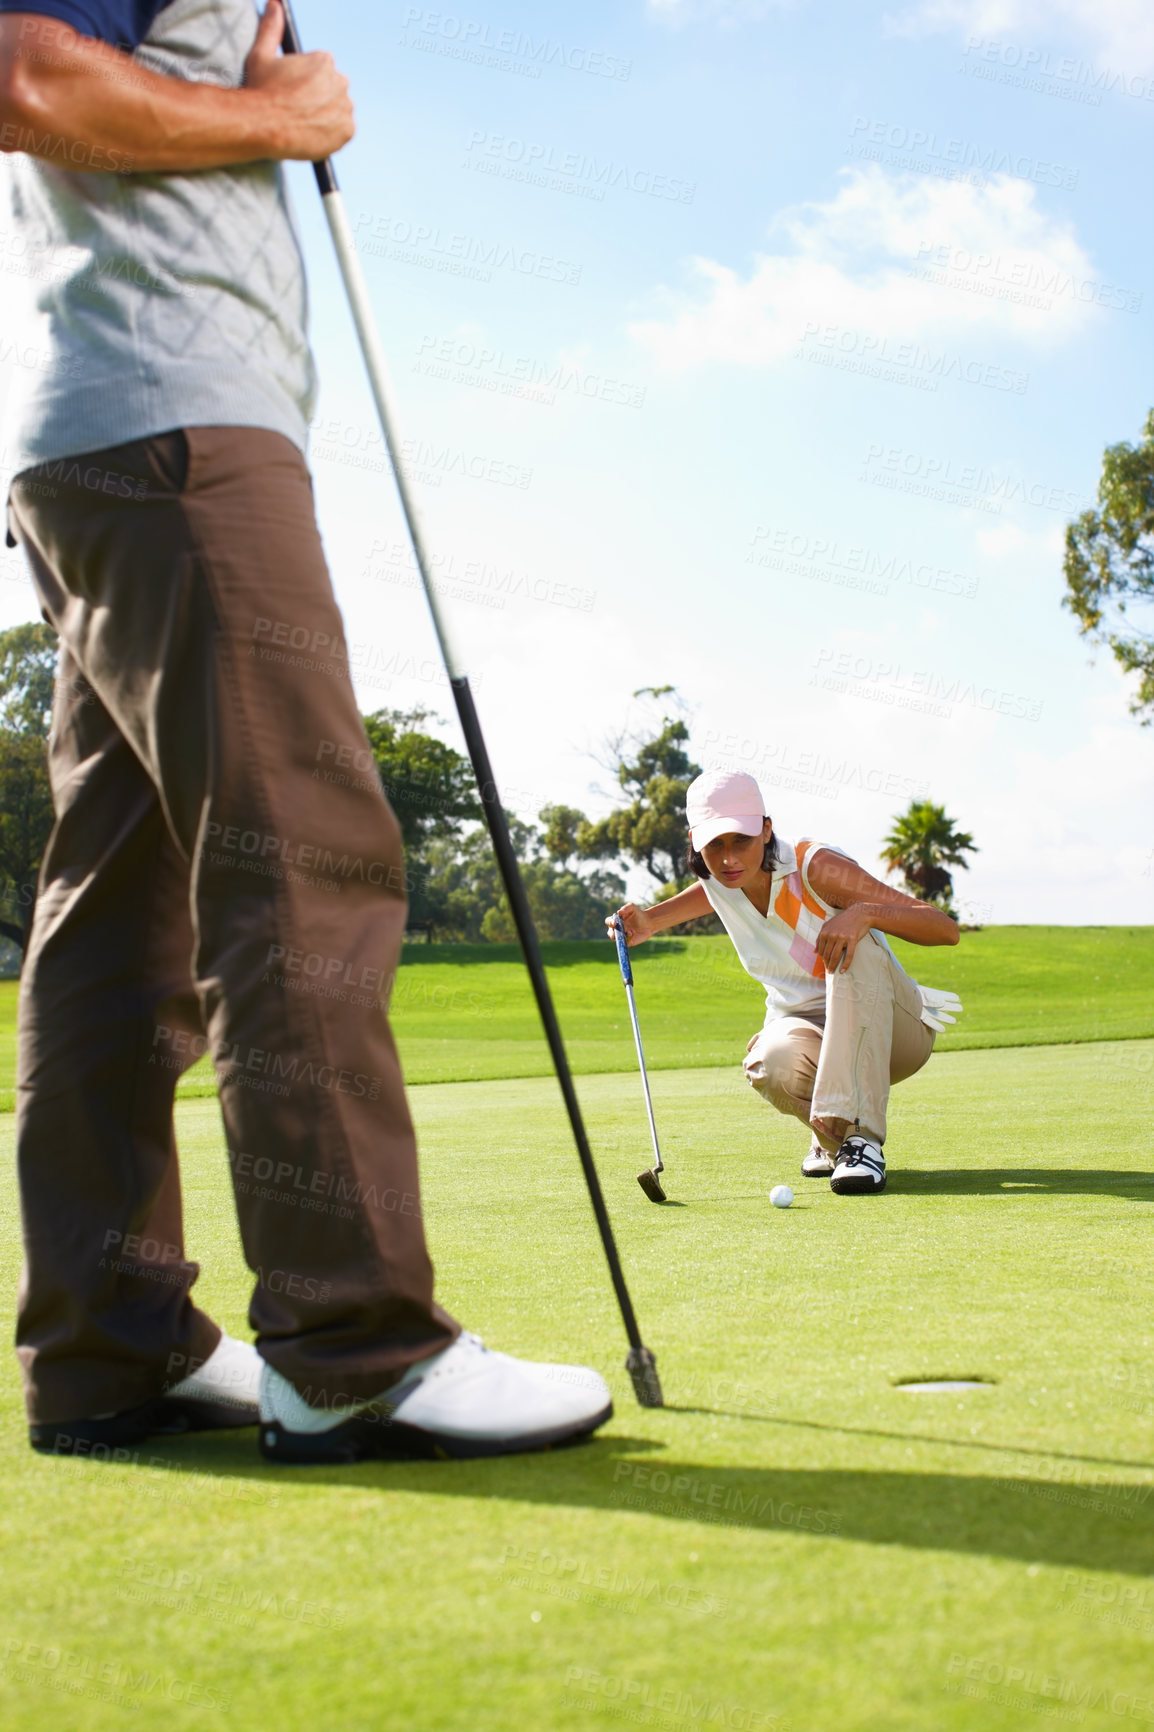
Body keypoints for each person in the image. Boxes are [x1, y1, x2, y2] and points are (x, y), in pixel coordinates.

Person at [0, 0, 611, 1463]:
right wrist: (285, 120)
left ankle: (107, 1346)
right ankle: (354, 1344)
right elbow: (23, 74)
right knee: (302, 864)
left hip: (108, 437)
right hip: (177, 435)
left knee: (119, 919)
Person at [609, 770, 962, 1195]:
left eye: (741, 840)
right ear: (695, 843)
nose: (729, 859)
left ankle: (863, 1140)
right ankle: (837, 1137)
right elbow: (712, 890)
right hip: (816, 1035)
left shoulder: (818, 867)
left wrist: (864, 913)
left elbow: (943, 928)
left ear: (766, 830)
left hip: (895, 1031)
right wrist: (651, 921)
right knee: (769, 1061)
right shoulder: (724, 881)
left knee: (857, 942)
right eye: (714, 845)